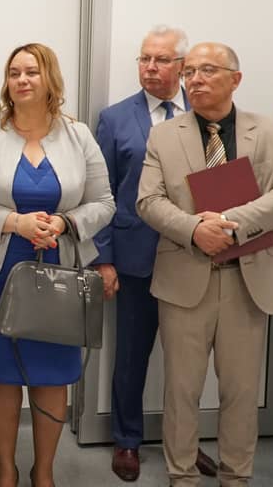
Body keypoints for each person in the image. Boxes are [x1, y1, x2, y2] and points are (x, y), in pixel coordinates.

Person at [136, 42, 273, 486]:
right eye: (189, 71)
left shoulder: (270, 132)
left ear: (236, 79)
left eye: (207, 70)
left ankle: (236, 477)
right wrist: (194, 229)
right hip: (185, 279)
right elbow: (148, 201)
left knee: (241, 392)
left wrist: (232, 223)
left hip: (247, 281)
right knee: (181, 391)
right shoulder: (163, 136)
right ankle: (182, 477)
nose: (195, 79)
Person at [0, 43, 115, 487]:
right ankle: (7, 469)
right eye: (14, 72)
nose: (21, 80)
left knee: (52, 374)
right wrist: (14, 222)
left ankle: (44, 471)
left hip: (59, 269)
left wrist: (65, 222)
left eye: (32, 72)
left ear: (49, 79)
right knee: (0, 373)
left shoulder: (78, 135)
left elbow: (104, 202)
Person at [92, 25, 217, 482]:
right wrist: (103, 258)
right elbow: (101, 193)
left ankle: (184, 443)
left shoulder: (206, 115)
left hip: (192, 256)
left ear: (182, 67)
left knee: (189, 361)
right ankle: (127, 440)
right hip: (134, 258)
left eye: (161, 60)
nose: (150, 67)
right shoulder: (114, 119)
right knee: (131, 356)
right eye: (144, 58)